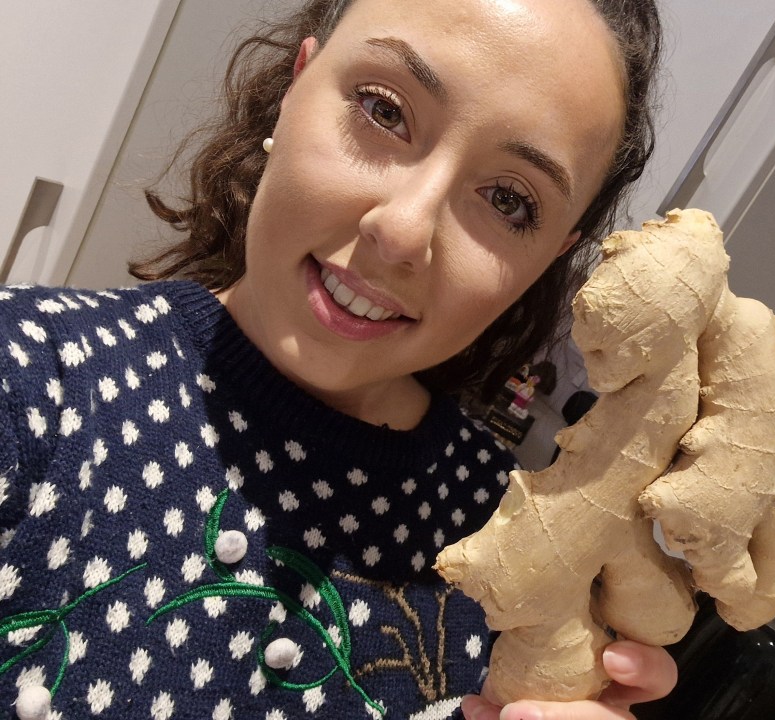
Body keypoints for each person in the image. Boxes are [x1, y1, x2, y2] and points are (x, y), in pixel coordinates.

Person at [0, 0, 675, 717]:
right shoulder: (31, 379)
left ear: (549, 259)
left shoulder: (526, 566)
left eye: (507, 200)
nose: (403, 229)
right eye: (384, 110)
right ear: (297, 84)